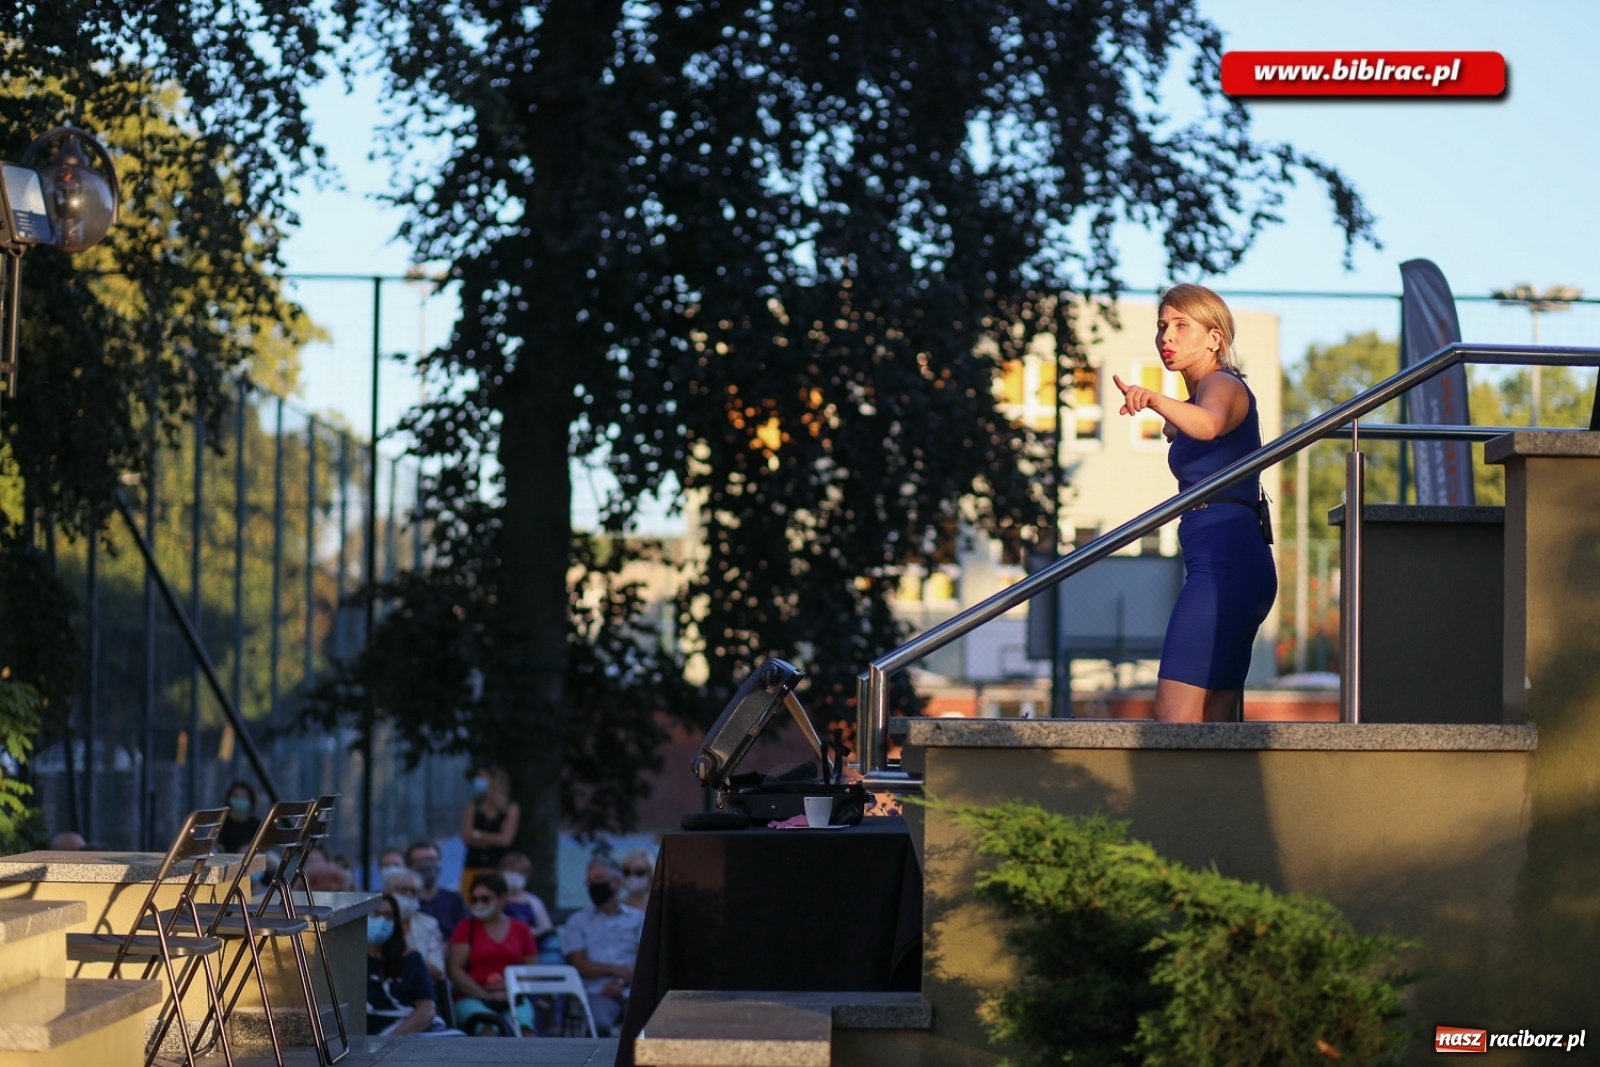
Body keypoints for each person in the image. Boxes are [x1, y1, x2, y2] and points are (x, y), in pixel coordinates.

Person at [1112, 283, 1278, 723]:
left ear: (1214, 338)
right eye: (1162, 326)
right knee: (1215, 725)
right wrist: (1173, 423)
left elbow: (1208, 425)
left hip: (1227, 563)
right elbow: (1199, 425)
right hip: (1227, 561)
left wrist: (1153, 399)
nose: (1167, 336)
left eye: (1182, 326)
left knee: (1174, 718)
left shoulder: (1222, 383)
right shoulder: (1203, 394)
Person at [447, 872, 541, 1033]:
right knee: (489, 1030)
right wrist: (485, 995)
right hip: (472, 998)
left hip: (513, 998)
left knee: (524, 1030)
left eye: (485, 899)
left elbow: (532, 969)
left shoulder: (521, 929)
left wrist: (510, 989)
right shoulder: (465, 928)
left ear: (502, 898)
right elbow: (455, 971)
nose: (478, 904)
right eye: (474, 899)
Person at [563, 857, 644, 1036]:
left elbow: (645, 958)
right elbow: (579, 964)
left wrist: (623, 982)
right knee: (599, 1024)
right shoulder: (577, 922)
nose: (593, 885)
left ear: (616, 883)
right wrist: (616, 971)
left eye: (598, 879)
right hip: (596, 992)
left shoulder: (638, 919)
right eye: (589, 881)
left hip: (633, 989)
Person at [367, 892, 455, 1035]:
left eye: (389, 916)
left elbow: (427, 1008)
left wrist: (395, 1037)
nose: (382, 921)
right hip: (376, 1032)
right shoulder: (350, 962)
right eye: (375, 914)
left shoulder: (411, 958)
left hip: (415, 1029)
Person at [459, 765, 519, 892]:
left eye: (482, 776)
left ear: (494, 780)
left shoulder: (511, 808)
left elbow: (505, 840)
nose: (478, 780)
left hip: (498, 868)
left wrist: (476, 834)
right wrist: (493, 838)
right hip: (473, 865)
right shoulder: (474, 805)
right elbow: (465, 835)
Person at [384, 868, 446, 981]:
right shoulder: (375, 922)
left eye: (413, 891)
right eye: (403, 890)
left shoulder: (429, 924)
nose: (408, 894)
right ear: (388, 892)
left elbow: (438, 971)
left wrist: (408, 956)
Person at [406, 839, 468, 939]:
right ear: (408, 867)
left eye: (431, 859)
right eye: (418, 861)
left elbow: (465, 936)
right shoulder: (398, 900)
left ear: (439, 862)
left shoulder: (455, 900)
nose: (426, 865)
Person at [496, 852, 554, 941]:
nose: (515, 875)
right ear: (501, 872)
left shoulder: (534, 901)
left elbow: (546, 928)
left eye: (520, 872)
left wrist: (526, 934)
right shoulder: (494, 898)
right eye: (511, 870)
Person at [217, 780, 261, 853]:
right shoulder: (221, 823)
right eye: (236, 795)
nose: (240, 799)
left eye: (244, 796)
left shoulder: (257, 825)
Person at [618, 848, 654, 912]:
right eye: (627, 872)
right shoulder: (619, 908)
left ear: (650, 873)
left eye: (639, 872)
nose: (632, 877)